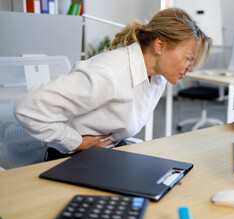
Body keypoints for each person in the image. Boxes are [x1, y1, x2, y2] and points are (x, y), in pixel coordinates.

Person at [14, 8, 212, 160]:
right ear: (160, 45)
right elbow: (27, 108)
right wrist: (77, 142)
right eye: (188, 58)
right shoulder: (109, 74)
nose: (190, 68)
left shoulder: (157, 78)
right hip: (71, 158)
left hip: (107, 153)